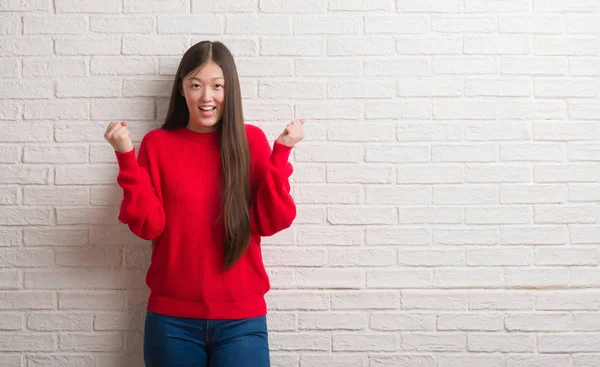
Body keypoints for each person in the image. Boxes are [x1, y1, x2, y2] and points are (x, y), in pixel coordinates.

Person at [103, 40, 304, 367]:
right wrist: (126, 157)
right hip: (172, 322)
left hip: (242, 321)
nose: (206, 97)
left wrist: (281, 152)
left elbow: (271, 221)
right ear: (182, 89)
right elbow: (149, 226)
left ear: (230, 89)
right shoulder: (158, 144)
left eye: (217, 86)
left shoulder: (249, 140)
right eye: (195, 85)